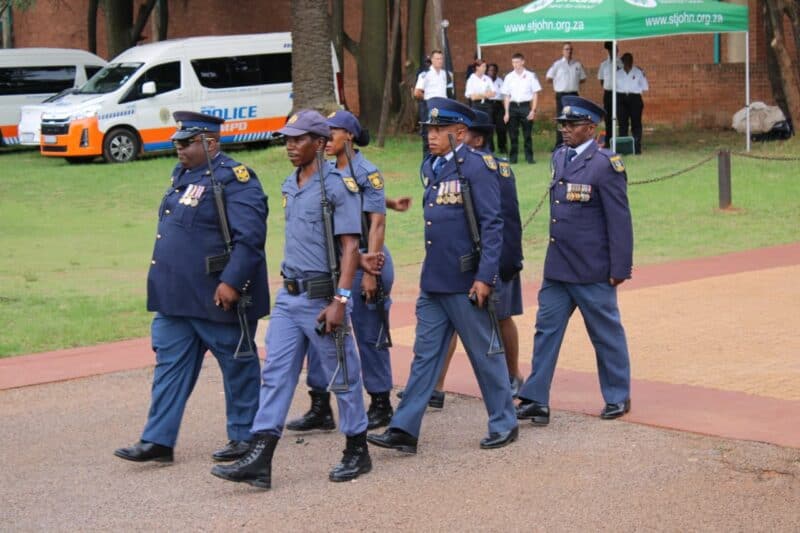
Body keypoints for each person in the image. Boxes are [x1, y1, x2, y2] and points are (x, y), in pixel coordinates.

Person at [211, 110, 382, 490]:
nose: (290, 145)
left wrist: (340, 299)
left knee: (342, 375)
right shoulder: (290, 182)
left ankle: (357, 448)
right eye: (287, 138)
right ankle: (260, 456)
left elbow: (352, 247)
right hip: (289, 297)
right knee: (275, 375)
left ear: (319, 144)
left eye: (298, 138)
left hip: (323, 297)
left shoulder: (338, 186)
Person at [114, 111, 268, 465]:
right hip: (178, 298)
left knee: (238, 367)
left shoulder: (235, 179)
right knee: (169, 366)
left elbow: (250, 238)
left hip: (218, 295)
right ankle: (158, 440)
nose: (178, 148)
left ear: (210, 143)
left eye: (186, 142)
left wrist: (232, 281)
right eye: (177, 142)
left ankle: (245, 437)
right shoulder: (183, 174)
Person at [368, 98, 519, 455]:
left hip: (466, 278)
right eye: (429, 130)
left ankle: (504, 421)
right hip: (435, 279)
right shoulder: (434, 167)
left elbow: (492, 225)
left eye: (439, 130)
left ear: (461, 133)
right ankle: (405, 428)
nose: (431, 136)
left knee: (484, 353)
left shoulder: (478, 167)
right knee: (425, 355)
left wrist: (485, 277)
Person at [516, 96, 633, 427]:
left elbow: (619, 220)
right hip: (558, 267)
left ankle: (617, 395)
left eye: (572, 125)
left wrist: (619, 268)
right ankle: (536, 399)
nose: (565, 130)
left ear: (591, 129)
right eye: (562, 124)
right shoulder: (559, 156)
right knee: (546, 331)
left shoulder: (605, 165)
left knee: (605, 333)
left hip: (592, 268)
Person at [284, 110, 397, 432]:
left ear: (348, 135)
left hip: (364, 260)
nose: (327, 139)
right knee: (321, 329)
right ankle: (320, 406)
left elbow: (375, 222)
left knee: (368, 332)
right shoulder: (328, 171)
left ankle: (380, 402)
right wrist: (394, 201)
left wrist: (372, 269)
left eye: (332, 133)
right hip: (332, 264)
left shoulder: (367, 171)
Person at [419, 110, 526, 405]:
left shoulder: (492, 168)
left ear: (475, 137)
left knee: (501, 318)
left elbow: (505, 219)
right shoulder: (440, 167)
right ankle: (436, 387)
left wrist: (504, 263)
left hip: (497, 257)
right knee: (446, 325)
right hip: (460, 262)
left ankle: (512, 375)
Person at [502, 52, 541, 164]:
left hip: (525, 106)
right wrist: (506, 113)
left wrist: (533, 110)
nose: (515, 64)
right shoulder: (509, 77)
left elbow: (535, 94)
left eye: (518, 62)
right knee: (513, 135)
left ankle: (529, 158)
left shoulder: (530, 75)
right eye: (513, 62)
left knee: (527, 134)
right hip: (513, 107)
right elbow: (506, 96)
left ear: (523, 62)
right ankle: (513, 159)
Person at [546, 42, 586, 149]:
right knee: (561, 119)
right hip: (562, 95)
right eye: (567, 49)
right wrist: (559, 83)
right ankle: (560, 144)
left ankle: (574, 142)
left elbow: (583, 79)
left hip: (573, 94)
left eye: (570, 49)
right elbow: (548, 78)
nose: (569, 51)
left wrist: (571, 84)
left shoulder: (577, 64)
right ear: (562, 51)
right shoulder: (557, 64)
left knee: (574, 119)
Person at [415, 50, 452, 157]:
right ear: (432, 60)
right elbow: (417, 92)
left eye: (441, 59)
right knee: (428, 135)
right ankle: (427, 160)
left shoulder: (445, 74)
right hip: (430, 107)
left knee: (442, 132)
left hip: (442, 107)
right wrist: (428, 99)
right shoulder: (425, 74)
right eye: (437, 59)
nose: (439, 61)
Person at [616, 53, 649, 154]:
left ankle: (637, 148)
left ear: (632, 61)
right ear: (622, 62)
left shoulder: (638, 72)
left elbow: (645, 87)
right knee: (622, 124)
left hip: (634, 98)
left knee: (636, 124)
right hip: (621, 98)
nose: (627, 63)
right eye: (625, 60)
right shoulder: (617, 73)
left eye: (629, 60)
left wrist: (643, 75)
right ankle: (624, 149)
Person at [464, 59, 496, 151]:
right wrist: (485, 94)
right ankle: (477, 149)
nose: (485, 68)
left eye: (485, 66)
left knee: (488, 128)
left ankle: (489, 149)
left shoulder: (488, 79)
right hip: (477, 106)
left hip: (487, 106)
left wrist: (480, 94)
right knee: (477, 128)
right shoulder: (471, 80)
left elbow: (493, 93)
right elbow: (472, 97)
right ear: (477, 67)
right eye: (483, 66)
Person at [597, 41, 622, 146]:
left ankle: (620, 141)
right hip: (608, 93)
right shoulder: (604, 64)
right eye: (610, 49)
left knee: (621, 117)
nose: (612, 51)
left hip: (619, 93)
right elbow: (601, 80)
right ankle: (608, 141)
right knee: (608, 118)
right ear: (608, 51)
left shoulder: (621, 63)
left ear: (617, 50)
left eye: (614, 49)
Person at [487, 63, 508, 155]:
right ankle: (490, 148)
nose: (492, 72)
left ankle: (502, 147)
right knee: (489, 128)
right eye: (490, 70)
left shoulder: (500, 81)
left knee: (501, 128)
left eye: (494, 70)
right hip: (488, 105)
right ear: (487, 71)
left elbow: (505, 95)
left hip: (499, 105)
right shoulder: (484, 80)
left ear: (496, 71)